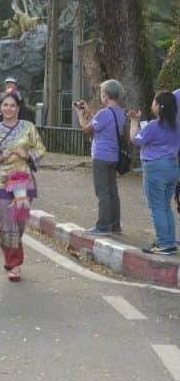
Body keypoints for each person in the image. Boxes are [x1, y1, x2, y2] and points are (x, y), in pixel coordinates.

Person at [0, 91, 45, 281]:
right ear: (0, 108)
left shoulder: (29, 127)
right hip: (2, 181)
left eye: (12, 105)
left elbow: (40, 149)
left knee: (19, 222)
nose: (9, 108)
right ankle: (15, 263)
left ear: (18, 108)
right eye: (5, 105)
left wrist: (28, 155)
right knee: (6, 222)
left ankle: (11, 255)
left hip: (24, 180)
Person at [129, 91, 180, 255]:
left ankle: (164, 243)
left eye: (154, 102)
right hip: (172, 167)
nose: (152, 105)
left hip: (155, 168)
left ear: (159, 107)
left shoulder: (153, 125)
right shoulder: (176, 126)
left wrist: (134, 121)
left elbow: (136, 139)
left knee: (157, 207)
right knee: (165, 206)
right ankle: (168, 241)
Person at [75, 79, 126, 235]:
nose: (101, 95)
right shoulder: (120, 112)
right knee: (112, 192)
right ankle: (115, 225)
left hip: (101, 157)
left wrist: (80, 114)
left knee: (102, 192)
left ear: (106, 95)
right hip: (113, 156)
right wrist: (89, 111)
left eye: (102, 92)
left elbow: (87, 129)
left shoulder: (104, 113)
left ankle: (103, 226)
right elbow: (102, 123)